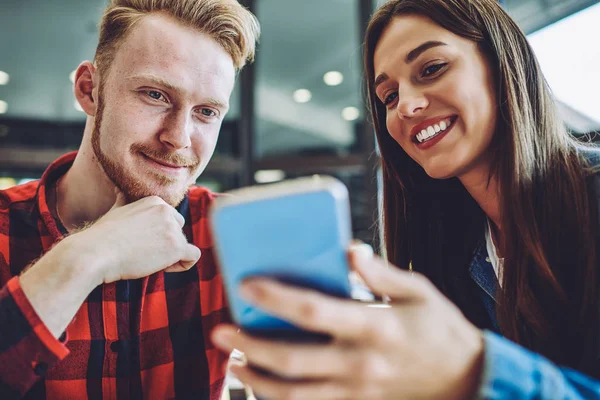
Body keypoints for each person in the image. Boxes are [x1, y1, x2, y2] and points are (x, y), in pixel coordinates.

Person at [211, 0, 600, 398]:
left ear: (503, 64)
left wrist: (471, 370)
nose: (407, 107)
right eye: (390, 96)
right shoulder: (451, 245)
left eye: (432, 69)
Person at [0, 0, 259, 398]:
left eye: (206, 111)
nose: (179, 137)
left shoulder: (234, 231)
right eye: (155, 94)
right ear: (89, 89)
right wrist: (85, 256)